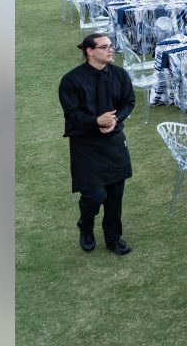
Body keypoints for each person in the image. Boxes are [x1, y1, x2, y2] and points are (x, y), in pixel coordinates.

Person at [59, 33, 135, 255]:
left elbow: (129, 102)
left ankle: (113, 238)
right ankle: (86, 226)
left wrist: (115, 119)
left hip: (113, 142)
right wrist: (96, 121)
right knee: (94, 195)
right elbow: (72, 114)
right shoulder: (71, 80)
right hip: (86, 144)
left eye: (111, 46)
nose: (110, 50)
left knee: (114, 195)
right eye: (104, 47)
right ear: (89, 51)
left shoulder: (120, 75)